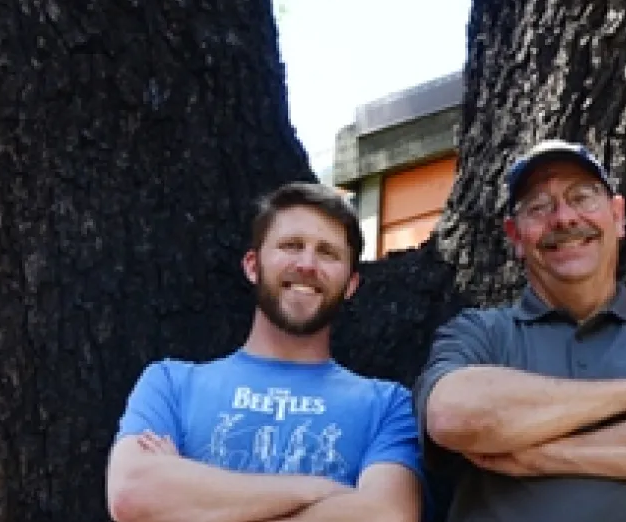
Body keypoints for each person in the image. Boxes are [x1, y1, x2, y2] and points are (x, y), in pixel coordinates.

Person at [415, 139, 626, 522]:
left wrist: (540, 456)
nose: (563, 218)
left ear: (617, 216)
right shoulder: (480, 332)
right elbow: (453, 415)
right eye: (538, 207)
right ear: (515, 237)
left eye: (581, 197)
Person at [105, 182, 423, 522]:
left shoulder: (387, 406)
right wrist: (321, 491)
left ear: (351, 284)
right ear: (253, 266)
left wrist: (189, 498)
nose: (307, 264)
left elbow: (386, 517)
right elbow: (132, 494)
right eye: (291, 245)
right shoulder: (170, 383)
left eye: (327, 253)